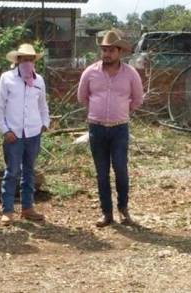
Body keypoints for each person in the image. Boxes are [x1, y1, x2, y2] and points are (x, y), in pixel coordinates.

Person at [77, 30, 144, 227]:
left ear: (119, 51)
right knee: (101, 172)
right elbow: (82, 97)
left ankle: (123, 210)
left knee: (121, 170)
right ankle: (107, 213)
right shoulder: (90, 72)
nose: (106, 54)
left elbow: (138, 99)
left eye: (111, 50)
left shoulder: (130, 74)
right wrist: (97, 112)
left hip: (119, 129)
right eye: (104, 50)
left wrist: (121, 111)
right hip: (96, 129)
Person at [0, 44, 50, 226]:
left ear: (35, 61)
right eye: (24, 59)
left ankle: (27, 208)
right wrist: (5, 130)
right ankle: (8, 210)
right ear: (17, 60)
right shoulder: (7, 78)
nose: (27, 62)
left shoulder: (39, 80)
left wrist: (44, 124)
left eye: (30, 59)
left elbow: (43, 105)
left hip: (33, 132)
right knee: (12, 172)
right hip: (14, 134)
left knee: (29, 171)